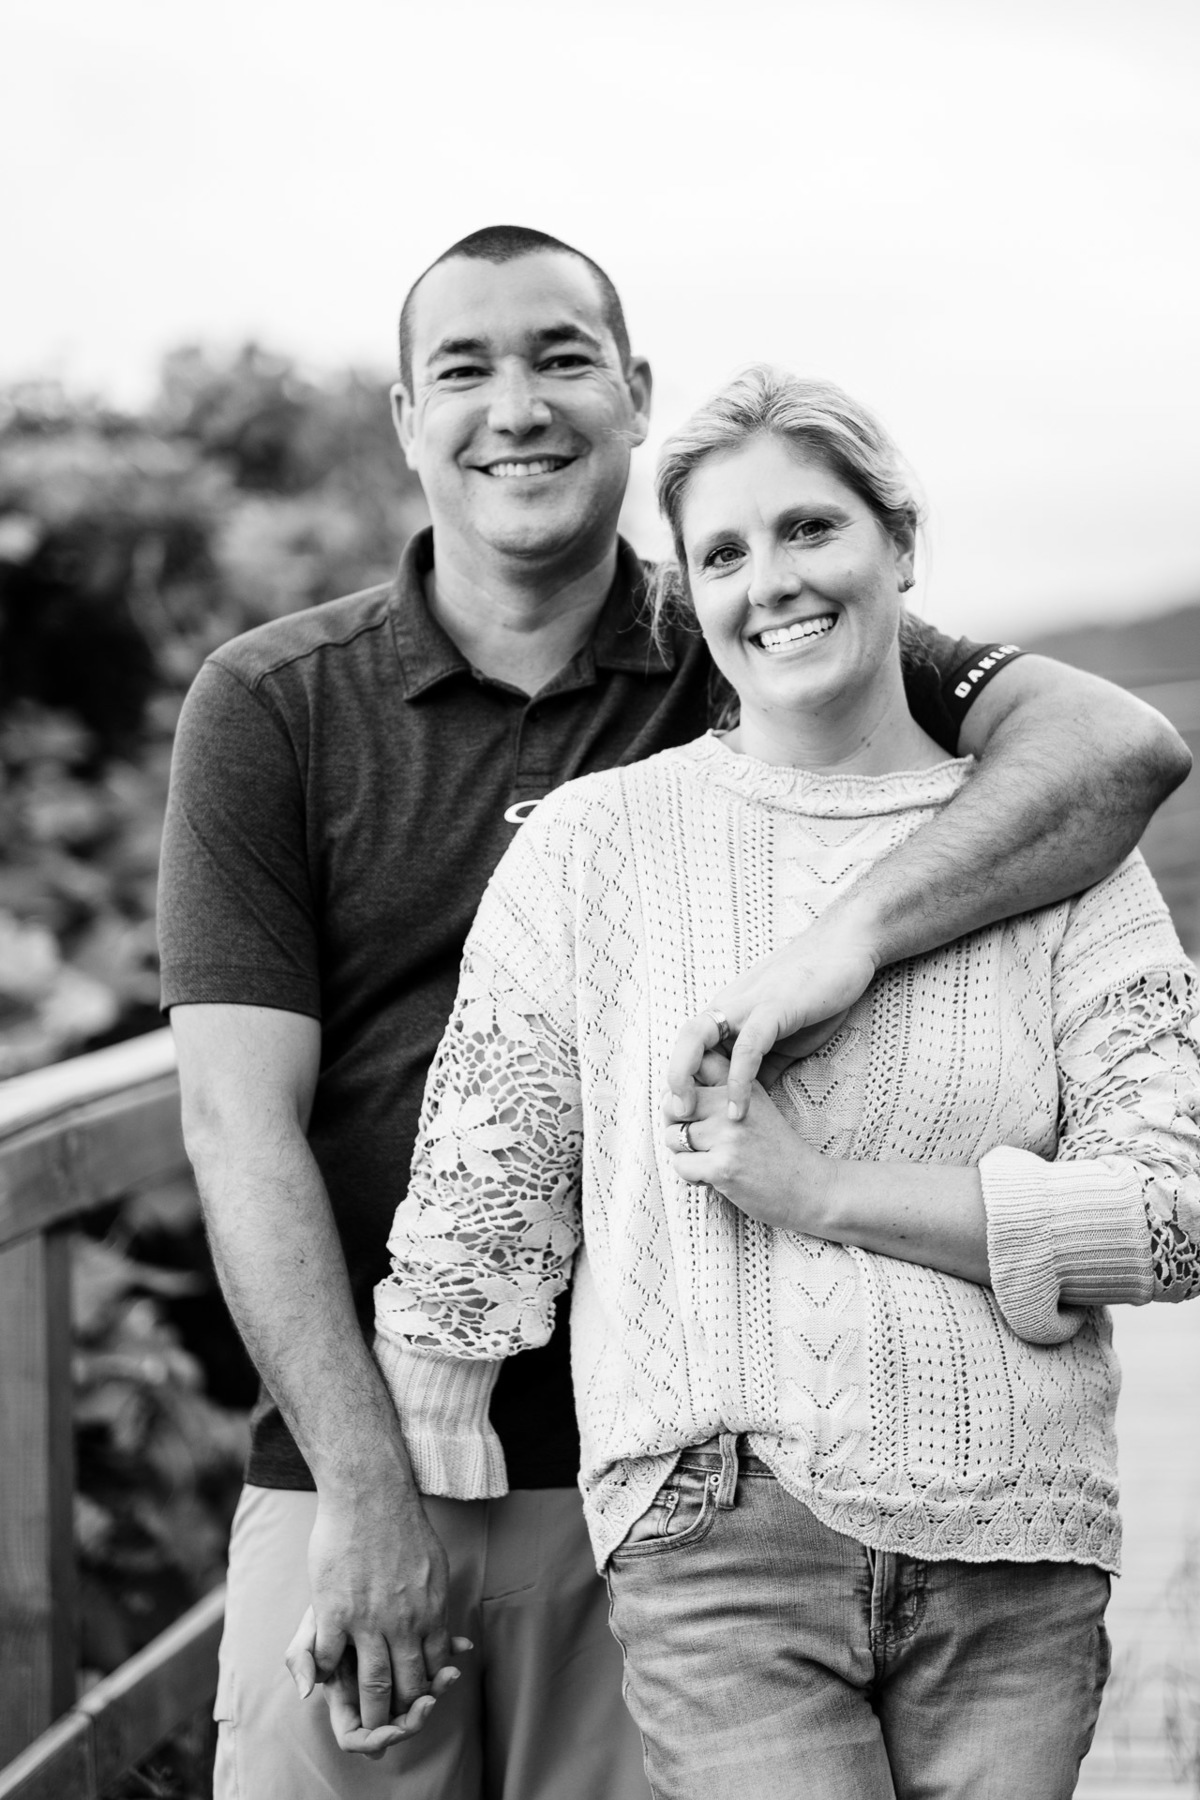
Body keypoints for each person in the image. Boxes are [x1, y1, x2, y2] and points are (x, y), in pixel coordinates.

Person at [158, 225, 1189, 1800]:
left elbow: (1114, 751)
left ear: (635, 392)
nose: (518, 406)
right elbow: (240, 1126)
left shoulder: (743, 639)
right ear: (406, 418)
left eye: (563, 358)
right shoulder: (275, 702)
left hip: (697, 1482)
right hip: (389, 1453)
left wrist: (844, 950)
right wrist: (369, 1482)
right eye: (466, 370)